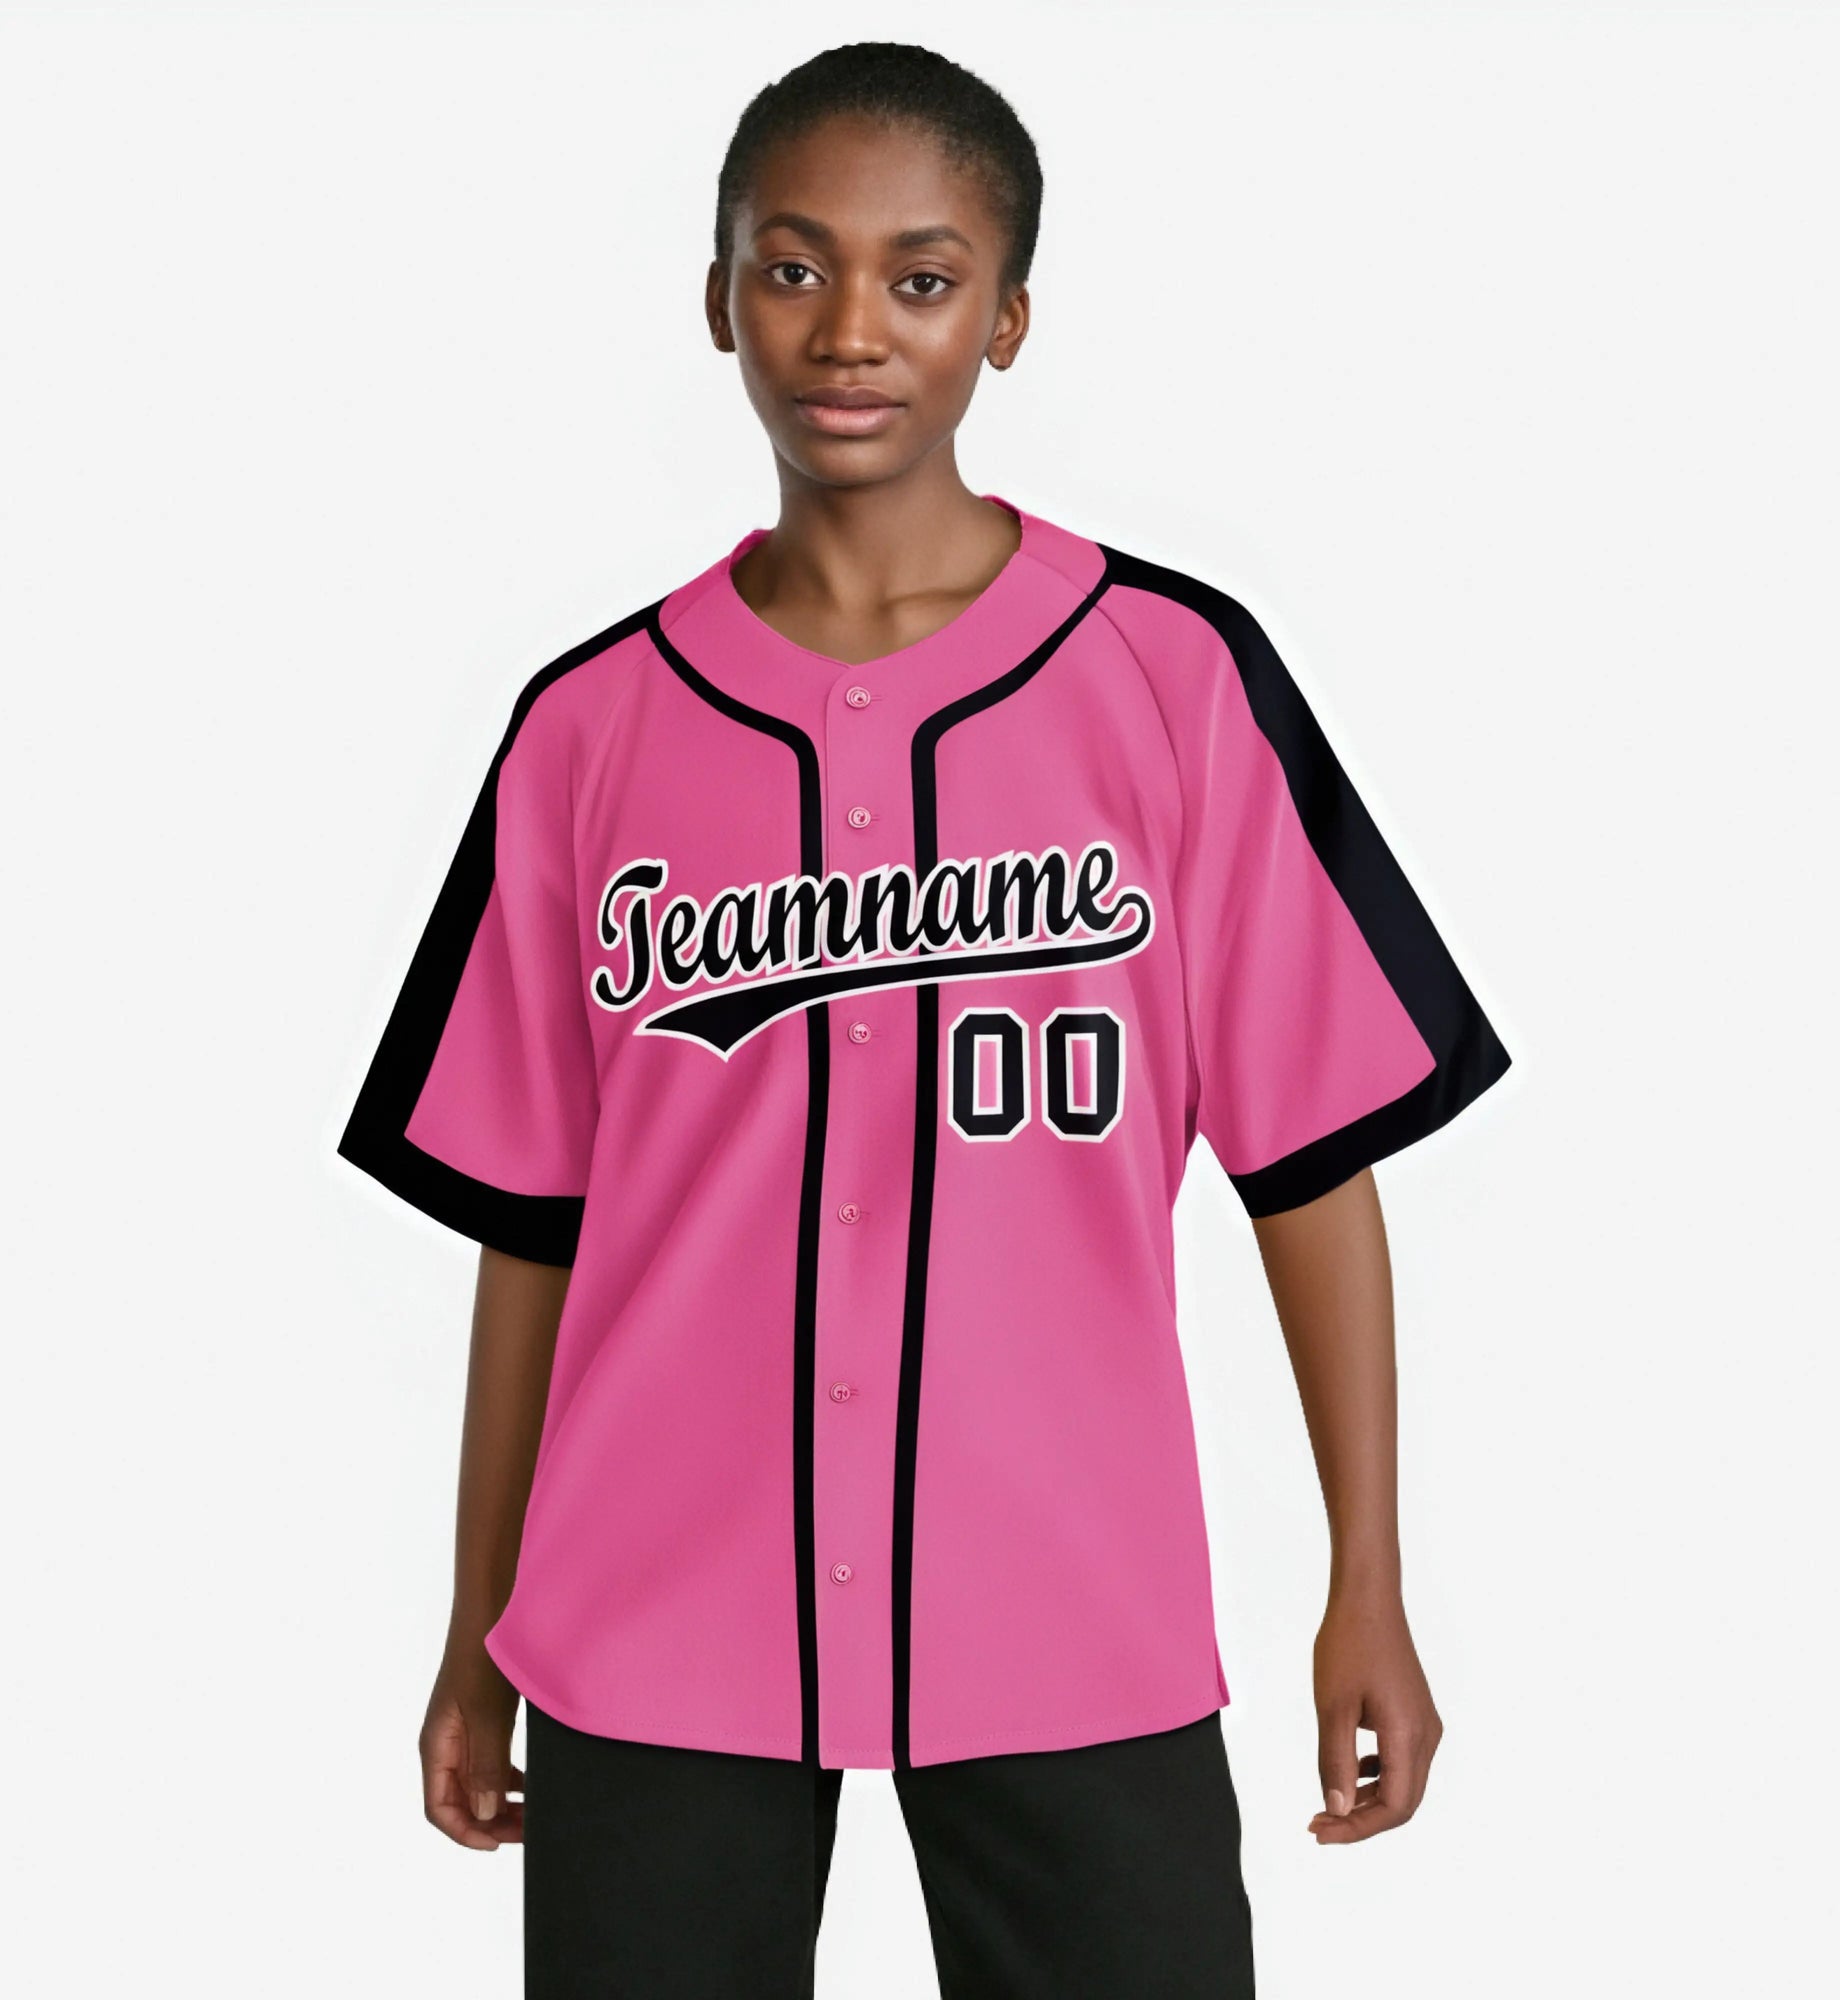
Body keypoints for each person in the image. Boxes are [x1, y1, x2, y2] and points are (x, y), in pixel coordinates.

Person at [336, 40, 1511, 1999]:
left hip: (1069, 1590)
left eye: (923, 275)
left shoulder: (1171, 679)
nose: (851, 330)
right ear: (717, 297)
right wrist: (479, 1629)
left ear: (1008, 319)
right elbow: (532, 1225)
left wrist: (1367, 1583)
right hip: (652, 1607)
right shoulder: (590, 728)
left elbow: (1313, 1172)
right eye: (793, 267)